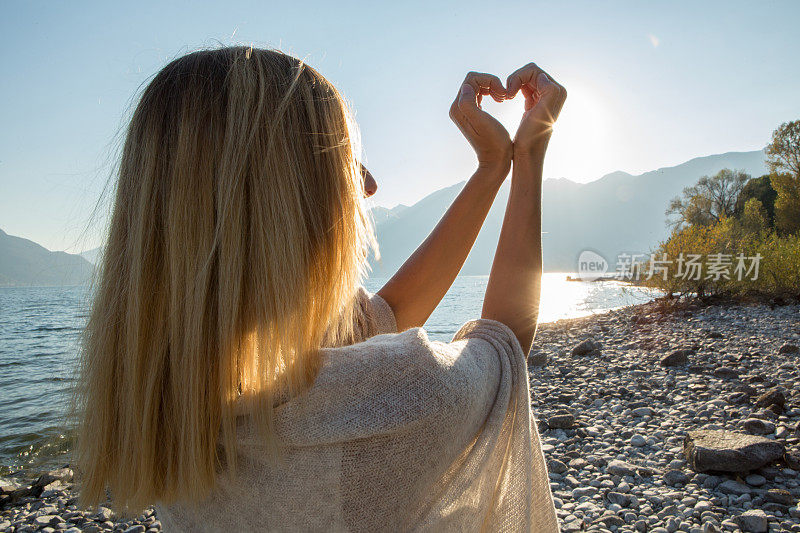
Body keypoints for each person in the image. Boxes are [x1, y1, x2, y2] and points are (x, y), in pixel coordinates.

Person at [74, 47, 566, 532]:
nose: (369, 186)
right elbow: (502, 349)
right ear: (277, 199)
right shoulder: (389, 401)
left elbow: (384, 314)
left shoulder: (165, 410)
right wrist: (527, 156)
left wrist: (489, 170)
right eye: (339, 160)